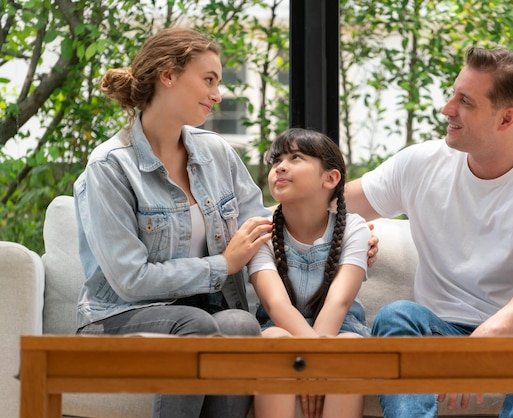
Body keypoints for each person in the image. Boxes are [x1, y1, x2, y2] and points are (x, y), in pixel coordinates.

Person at [344, 46, 513, 417]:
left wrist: (486, 341)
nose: (447, 109)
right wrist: (247, 223)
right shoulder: (422, 163)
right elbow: (326, 208)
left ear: (506, 118)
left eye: (465, 101)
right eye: (453, 95)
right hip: (439, 332)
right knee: (396, 314)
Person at [73, 27, 275, 418]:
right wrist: (224, 265)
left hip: (204, 311)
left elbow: (260, 226)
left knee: (239, 324)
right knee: (196, 324)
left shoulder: (217, 152)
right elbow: (130, 280)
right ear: (167, 75)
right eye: (208, 80)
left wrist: (333, 236)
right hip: (118, 317)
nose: (217, 94)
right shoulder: (110, 166)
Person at [248, 128, 371, 418]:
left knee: (350, 347)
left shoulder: (354, 228)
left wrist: (316, 360)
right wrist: (311, 360)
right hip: (280, 327)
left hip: (340, 328)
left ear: (330, 178)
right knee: (273, 342)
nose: (280, 165)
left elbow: (338, 302)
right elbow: (275, 304)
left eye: (296, 157)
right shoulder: (260, 231)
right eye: (275, 160)